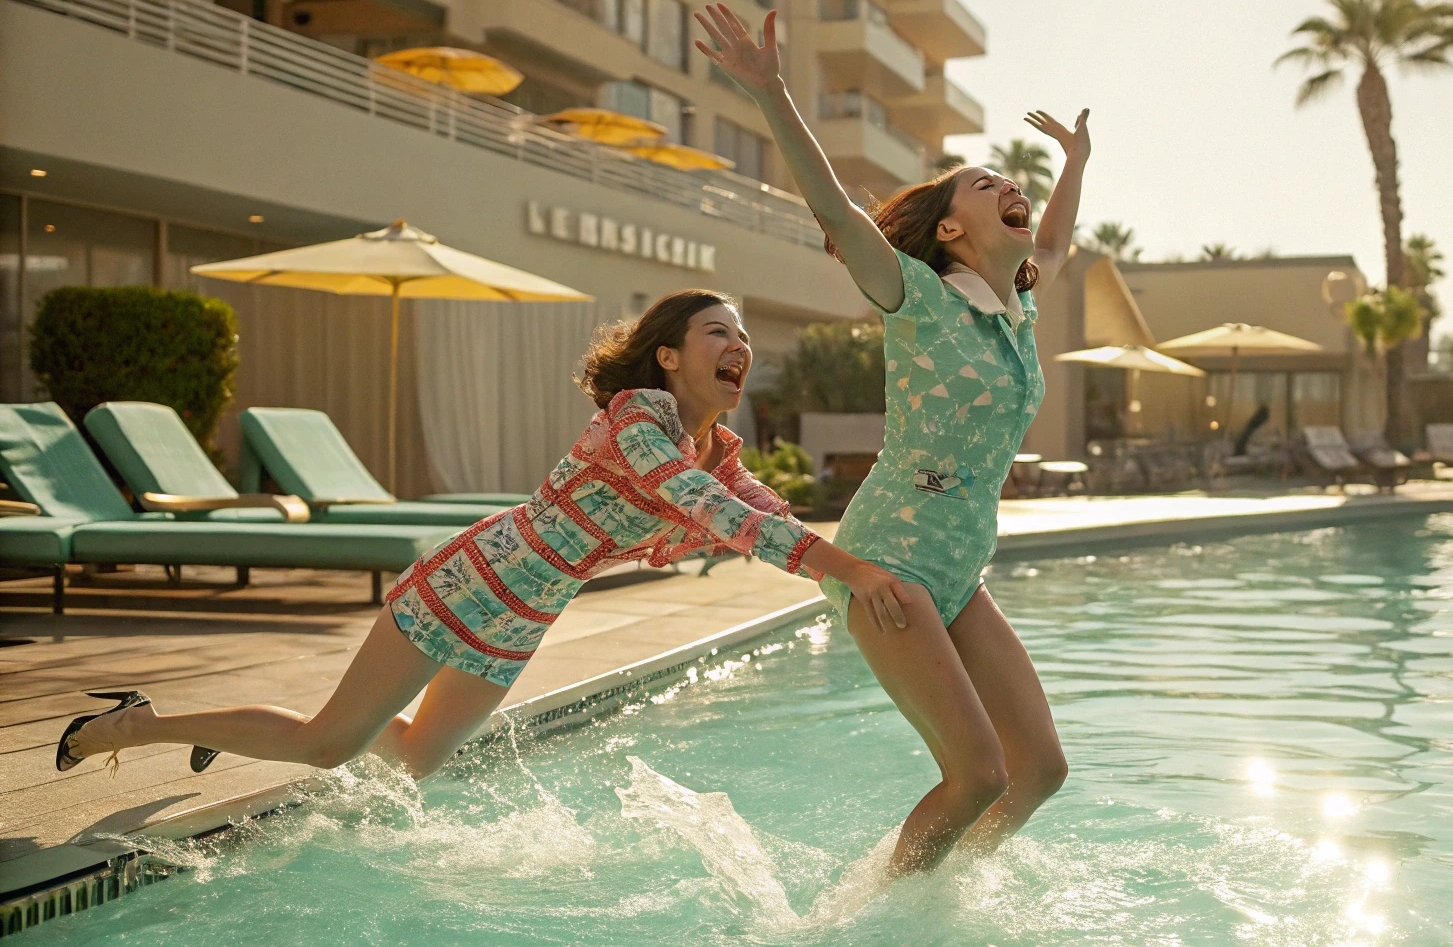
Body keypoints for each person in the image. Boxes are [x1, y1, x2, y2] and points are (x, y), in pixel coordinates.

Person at [58, 291, 911, 780]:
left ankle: (244, 725)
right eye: (719, 331)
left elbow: (766, 515)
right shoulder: (636, 419)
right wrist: (844, 572)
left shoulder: (717, 450)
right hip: (470, 580)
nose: (741, 346)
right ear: (666, 356)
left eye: (745, 337)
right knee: (326, 745)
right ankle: (139, 724)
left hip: (523, 615)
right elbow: (707, 507)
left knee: (418, 757)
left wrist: (868, 567)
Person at [694, 4, 1091, 875]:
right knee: (978, 772)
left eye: (1008, 181)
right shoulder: (914, 292)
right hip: (892, 560)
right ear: (949, 228)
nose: (1006, 186)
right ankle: (877, 911)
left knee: (1041, 773)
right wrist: (770, 92)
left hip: (958, 565)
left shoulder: (1016, 310)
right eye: (983, 184)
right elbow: (834, 206)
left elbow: (1057, 239)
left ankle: (947, 890)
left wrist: (1077, 162)